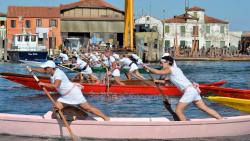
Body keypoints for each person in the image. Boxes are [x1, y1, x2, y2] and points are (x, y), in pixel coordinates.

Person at [142, 56, 223, 121]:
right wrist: (156, 80)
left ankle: (185, 128)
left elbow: (158, 72)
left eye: (162, 63)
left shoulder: (170, 69)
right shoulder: (175, 70)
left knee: (178, 110)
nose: (161, 64)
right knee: (204, 108)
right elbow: (168, 83)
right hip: (193, 90)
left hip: (189, 91)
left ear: (168, 62)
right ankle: (221, 120)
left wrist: (147, 67)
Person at [28, 60, 109, 121]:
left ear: (51, 68)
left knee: (88, 108)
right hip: (65, 96)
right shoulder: (51, 71)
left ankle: (106, 119)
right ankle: (79, 117)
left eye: (46, 68)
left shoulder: (58, 74)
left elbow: (55, 86)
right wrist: (33, 69)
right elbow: (42, 70)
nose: (44, 69)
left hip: (73, 93)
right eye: (44, 68)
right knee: (56, 108)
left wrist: (44, 84)